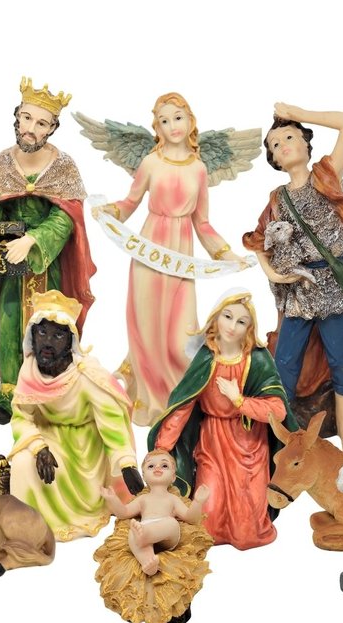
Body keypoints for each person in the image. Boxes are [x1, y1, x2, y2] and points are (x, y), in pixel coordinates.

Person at [94, 93, 245, 426]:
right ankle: (150, 400)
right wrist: (109, 211)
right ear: (157, 128)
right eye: (164, 120)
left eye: (178, 117)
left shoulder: (199, 168)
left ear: (190, 120)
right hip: (149, 252)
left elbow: (202, 223)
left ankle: (183, 399)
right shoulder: (151, 163)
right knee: (146, 329)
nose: (172, 125)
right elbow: (130, 202)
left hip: (180, 258)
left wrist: (228, 255)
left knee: (181, 338)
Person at [243, 103, 343, 457]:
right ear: (274, 160)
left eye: (289, 137)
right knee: (285, 360)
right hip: (296, 292)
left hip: (332, 287)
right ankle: (280, 426)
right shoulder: (277, 200)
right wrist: (272, 273)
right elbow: (257, 241)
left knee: (340, 357)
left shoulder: (326, 177)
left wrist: (299, 113)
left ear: (306, 143)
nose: (283, 146)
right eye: (275, 144)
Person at [0, 77, 96, 424]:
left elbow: (66, 217)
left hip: (48, 265)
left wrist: (33, 240)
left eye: (41, 123)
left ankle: (50, 388)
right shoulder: (2, 164)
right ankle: (10, 389)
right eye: (26, 118)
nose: (31, 129)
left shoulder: (63, 167)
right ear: (17, 116)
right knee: (10, 321)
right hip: (9, 267)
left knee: (49, 325)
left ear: (53, 128)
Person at [148, 288, 296, 550]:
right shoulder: (206, 357)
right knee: (208, 520)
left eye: (241, 321)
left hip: (250, 445)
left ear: (249, 328)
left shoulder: (258, 359)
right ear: (216, 317)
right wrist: (163, 447)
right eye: (227, 316)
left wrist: (239, 400)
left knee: (248, 530)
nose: (232, 326)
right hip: (213, 442)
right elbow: (183, 407)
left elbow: (277, 411)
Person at [8, 290, 141, 541]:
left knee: (77, 483)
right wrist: (38, 448)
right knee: (23, 463)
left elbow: (111, 421)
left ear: (71, 341)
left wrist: (126, 463)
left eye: (58, 335)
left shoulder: (86, 375)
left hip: (84, 450)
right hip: (47, 438)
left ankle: (73, 515)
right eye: (42, 333)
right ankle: (28, 524)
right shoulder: (29, 372)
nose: (48, 342)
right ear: (32, 336)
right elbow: (21, 417)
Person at [100, 450, 210, 576]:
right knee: (132, 533)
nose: (157, 468)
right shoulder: (142, 499)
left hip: (166, 535)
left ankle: (146, 535)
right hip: (144, 528)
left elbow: (191, 518)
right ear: (144, 476)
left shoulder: (173, 499)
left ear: (173, 477)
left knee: (172, 523)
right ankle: (148, 562)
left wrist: (198, 502)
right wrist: (112, 499)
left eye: (164, 465)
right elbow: (124, 513)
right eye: (151, 466)